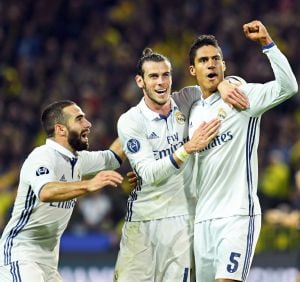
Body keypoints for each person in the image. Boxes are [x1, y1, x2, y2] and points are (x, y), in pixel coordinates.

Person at [114, 47, 248, 282]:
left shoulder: (186, 99)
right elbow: (148, 173)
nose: (161, 82)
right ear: (140, 81)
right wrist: (187, 148)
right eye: (153, 76)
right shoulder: (130, 120)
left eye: (166, 75)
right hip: (143, 223)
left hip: (185, 221)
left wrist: (229, 83)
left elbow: (212, 80)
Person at [188, 20, 298, 282]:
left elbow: (289, 87)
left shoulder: (241, 97)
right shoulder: (190, 111)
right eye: (204, 60)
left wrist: (267, 44)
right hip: (202, 222)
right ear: (193, 70)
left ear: (224, 65)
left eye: (216, 59)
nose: (211, 64)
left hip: (237, 216)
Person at [0, 100, 125, 282]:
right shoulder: (42, 156)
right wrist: (88, 184)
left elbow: (113, 157)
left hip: (48, 262)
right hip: (20, 254)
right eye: (79, 119)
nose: (88, 124)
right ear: (60, 129)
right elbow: (46, 191)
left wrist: (137, 120)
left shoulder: (78, 160)